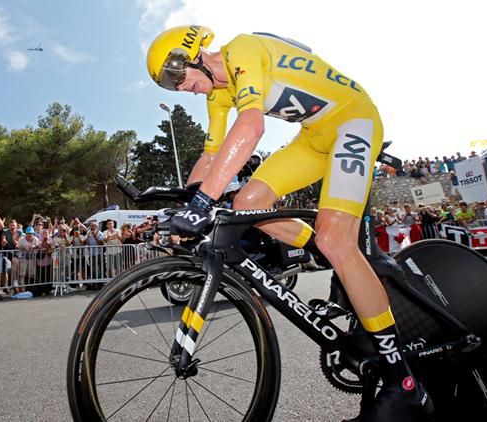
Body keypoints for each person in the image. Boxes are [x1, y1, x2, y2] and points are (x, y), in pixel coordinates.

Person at [147, 26, 431, 421]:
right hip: (314, 138)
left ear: (192, 55)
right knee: (249, 203)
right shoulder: (217, 94)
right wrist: (183, 202)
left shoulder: (240, 50)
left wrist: (201, 202)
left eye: (178, 79)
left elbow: (251, 128)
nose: (182, 90)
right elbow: (211, 157)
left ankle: (405, 382)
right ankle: (323, 250)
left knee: (337, 239)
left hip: (354, 121)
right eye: (172, 87)